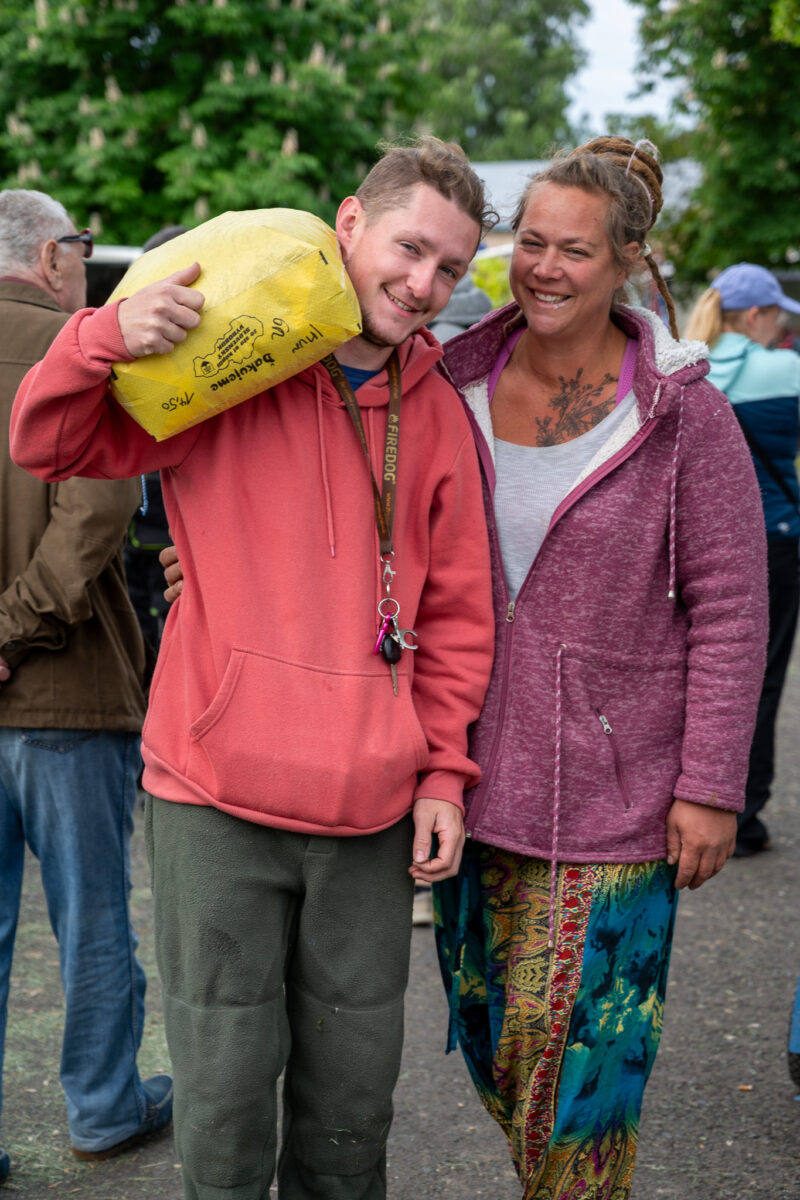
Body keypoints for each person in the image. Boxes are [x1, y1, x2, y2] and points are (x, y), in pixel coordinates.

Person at [9, 138, 497, 1200]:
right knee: (223, 1118)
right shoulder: (231, 360)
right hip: (213, 798)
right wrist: (101, 335)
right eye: (410, 248)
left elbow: (459, 618)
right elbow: (48, 445)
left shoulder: (442, 414)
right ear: (349, 223)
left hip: (370, 814)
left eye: (450, 268)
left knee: (349, 1123)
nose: (423, 284)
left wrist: (443, 775)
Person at [432, 138, 769, 1199]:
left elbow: (731, 609)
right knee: (495, 1045)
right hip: (461, 777)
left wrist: (710, 786)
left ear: (626, 260)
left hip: (617, 800)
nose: (542, 267)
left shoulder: (683, 413)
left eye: (573, 250)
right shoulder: (449, 383)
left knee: (582, 1085)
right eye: (529, 241)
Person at [0, 189, 172, 1185]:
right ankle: (104, 1109)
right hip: (69, 693)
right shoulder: (82, 353)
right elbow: (99, 516)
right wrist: (12, 630)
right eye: (83, 246)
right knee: (94, 919)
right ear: (52, 256)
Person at [685, 263, 800, 857]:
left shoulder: (687, 367)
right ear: (755, 315)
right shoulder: (785, 369)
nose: (780, 327)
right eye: (777, 316)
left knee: (696, 673)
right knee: (763, 677)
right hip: (775, 539)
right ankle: (745, 813)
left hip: (695, 543)